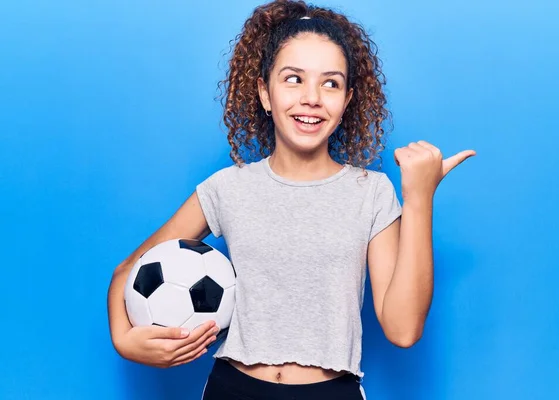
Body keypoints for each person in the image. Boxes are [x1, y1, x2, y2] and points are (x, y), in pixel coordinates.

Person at [107, 0, 475, 399]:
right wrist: (125, 342)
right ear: (265, 93)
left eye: (330, 83)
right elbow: (127, 271)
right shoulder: (227, 188)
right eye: (293, 79)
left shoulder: (371, 193)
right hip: (233, 390)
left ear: (347, 100)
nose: (312, 97)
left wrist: (419, 198)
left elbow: (403, 330)